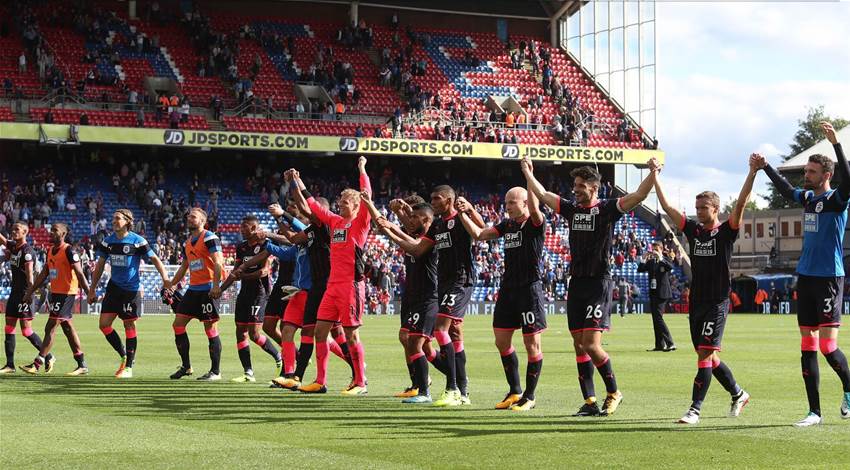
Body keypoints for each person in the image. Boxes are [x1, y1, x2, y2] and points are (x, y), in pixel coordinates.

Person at [523, 155, 659, 416]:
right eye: (574, 185)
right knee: (579, 344)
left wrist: (653, 172)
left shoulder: (607, 209)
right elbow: (542, 194)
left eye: (580, 186)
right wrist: (529, 173)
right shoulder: (572, 210)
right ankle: (589, 401)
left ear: (594, 188)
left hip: (598, 283)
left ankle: (614, 392)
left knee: (591, 344)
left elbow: (639, 195)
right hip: (577, 284)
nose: (574, 190)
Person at [757, 122, 850, 426]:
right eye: (806, 171)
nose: (806, 175)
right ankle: (814, 412)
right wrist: (766, 166)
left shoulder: (837, 199)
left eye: (812, 172)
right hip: (806, 277)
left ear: (827, 175)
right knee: (807, 344)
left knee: (827, 346)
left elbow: (849, 181)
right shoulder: (809, 199)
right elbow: (786, 189)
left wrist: (836, 144)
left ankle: (849, 389)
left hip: (829, 278)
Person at [656, 154, 757, 425]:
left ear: (716, 209)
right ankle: (738, 393)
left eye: (703, 208)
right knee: (709, 357)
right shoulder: (693, 231)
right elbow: (666, 206)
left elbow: (742, 202)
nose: (698, 212)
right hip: (697, 301)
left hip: (717, 301)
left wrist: (752, 172)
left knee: (704, 354)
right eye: (697, 208)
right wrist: (654, 175)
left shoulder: (726, 231)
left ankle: (695, 409)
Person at [381, 185, 484, 406]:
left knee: (441, 330)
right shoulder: (437, 225)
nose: (434, 201)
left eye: (437, 198)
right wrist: (391, 228)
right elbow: (417, 247)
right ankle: (462, 390)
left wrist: (470, 209)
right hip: (444, 283)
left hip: (460, 280)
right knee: (453, 333)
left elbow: (482, 229)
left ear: (449, 200)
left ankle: (452, 388)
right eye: (432, 198)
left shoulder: (460, 218)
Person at [457, 166, 547, 411]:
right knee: (501, 340)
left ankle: (530, 396)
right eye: (506, 202)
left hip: (529, 289)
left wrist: (528, 175)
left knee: (532, 345)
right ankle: (514, 391)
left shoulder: (535, 223)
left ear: (525, 203)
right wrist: (462, 213)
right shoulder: (507, 225)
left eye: (511, 202)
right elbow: (478, 234)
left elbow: (536, 208)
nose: (507, 206)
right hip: (508, 290)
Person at [288, 156, 371, 395]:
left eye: (345, 202)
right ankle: (320, 381)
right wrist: (299, 182)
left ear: (356, 206)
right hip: (332, 287)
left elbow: (367, 193)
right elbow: (314, 206)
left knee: (351, 335)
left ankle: (360, 382)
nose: (340, 204)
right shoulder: (335, 222)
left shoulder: (360, 223)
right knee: (320, 332)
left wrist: (362, 170)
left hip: (351, 286)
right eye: (340, 201)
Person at [362, 194, 440, 404]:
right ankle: (421, 383)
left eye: (413, 215)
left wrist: (390, 226)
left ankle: (445, 380)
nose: (409, 219)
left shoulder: (428, 236)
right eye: (409, 215)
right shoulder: (413, 230)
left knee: (416, 342)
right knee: (409, 339)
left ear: (423, 216)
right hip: (412, 294)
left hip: (427, 295)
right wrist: (371, 205)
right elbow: (386, 224)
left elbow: (409, 242)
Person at [87, 209, 170, 378]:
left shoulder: (138, 241)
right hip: (113, 288)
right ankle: (124, 354)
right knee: (104, 325)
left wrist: (166, 279)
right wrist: (92, 289)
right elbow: (100, 266)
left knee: (129, 325)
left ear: (127, 221)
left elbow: (155, 259)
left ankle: (129, 367)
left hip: (130, 290)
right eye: (113, 218)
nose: (114, 221)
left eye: (117, 218)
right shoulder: (107, 242)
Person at [219, 215, 282, 383]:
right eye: (241, 226)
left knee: (254, 334)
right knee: (240, 332)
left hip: (260, 293)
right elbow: (235, 271)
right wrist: (221, 289)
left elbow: (264, 271)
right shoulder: (241, 247)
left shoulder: (266, 245)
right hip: (245, 293)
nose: (241, 230)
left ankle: (278, 357)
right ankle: (248, 373)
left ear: (254, 228)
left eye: (245, 227)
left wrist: (243, 276)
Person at [20, 224, 91, 375]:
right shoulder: (50, 250)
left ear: (63, 234)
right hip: (56, 293)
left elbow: (79, 273)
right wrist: (30, 291)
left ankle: (37, 363)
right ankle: (82, 364)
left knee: (50, 327)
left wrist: (89, 293)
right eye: (51, 230)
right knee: (67, 328)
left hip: (67, 294)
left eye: (55, 230)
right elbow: (44, 274)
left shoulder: (69, 251)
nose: (51, 232)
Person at [166, 208, 225, 381]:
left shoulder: (209, 237)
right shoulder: (188, 242)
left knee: (210, 329)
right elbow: (184, 267)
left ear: (203, 221)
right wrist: (171, 284)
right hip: (193, 289)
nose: (189, 218)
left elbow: (218, 262)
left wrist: (216, 286)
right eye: (189, 216)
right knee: (178, 325)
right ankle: (186, 367)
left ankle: (215, 372)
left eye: (194, 216)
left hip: (208, 289)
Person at [1, 223, 53, 374]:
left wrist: (30, 293)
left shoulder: (27, 251)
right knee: (9, 327)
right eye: (13, 229)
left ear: (25, 232)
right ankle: (10, 365)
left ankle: (49, 356)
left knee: (26, 330)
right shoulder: (13, 247)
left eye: (17, 229)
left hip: (24, 293)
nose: (13, 231)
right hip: (14, 293)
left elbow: (30, 275)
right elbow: (2, 240)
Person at [637, 241, 676, 351]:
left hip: (662, 293)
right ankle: (659, 345)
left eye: (656, 249)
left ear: (661, 249)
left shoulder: (666, 259)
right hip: (653, 292)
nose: (654, 252)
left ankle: (670, 343)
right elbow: (640, 269)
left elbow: (670, 267)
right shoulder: (651, 262)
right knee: (655, 319)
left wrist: (661, 257)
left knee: (658, 318)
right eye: (653, 249)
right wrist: (643, 258)